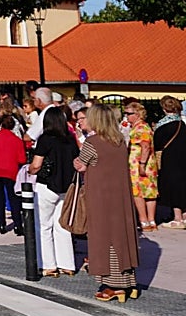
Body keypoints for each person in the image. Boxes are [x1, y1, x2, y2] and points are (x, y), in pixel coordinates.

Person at [74, 105, 140, 302]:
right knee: (122, 236)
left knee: (105, 239)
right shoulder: (120, 141)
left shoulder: (92, 142)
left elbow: (81, 164)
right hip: (121, 197)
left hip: (101, 198)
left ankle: (114, 286)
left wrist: (78, 161)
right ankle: (129, 282)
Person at [30, 105, 80, 277]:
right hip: (66, 187)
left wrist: (29, 170)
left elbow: (36, 165)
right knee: (63, 226)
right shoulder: (70, 139)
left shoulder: (45, 139)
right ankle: (67, 264)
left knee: (44, 226)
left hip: (47, 186)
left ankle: (48, 265)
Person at [0, 113, 26, 235]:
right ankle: (18, 225)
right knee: (14, 198)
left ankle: (1, 224)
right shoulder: (17, 140)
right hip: (10, 170)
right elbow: (22, 159)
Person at [125, 101, 159, 230]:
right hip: (148, 164)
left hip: (139, 164)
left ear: (137, 114)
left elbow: (145, 146)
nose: (126, 116)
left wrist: (142, 164)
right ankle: (151, 221)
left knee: (138, 192)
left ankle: (143, 220)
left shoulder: (140, 128)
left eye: (129, 113)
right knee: (150, 192)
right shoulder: (144, 126)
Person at [154, 96, 185, 228]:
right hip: (183, 158)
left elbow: (157, 143)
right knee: (183, 185)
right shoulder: (182, 124)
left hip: (169, 159)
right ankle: (184, 216)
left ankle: (177, 218)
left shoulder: (162, 125)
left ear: (164, 108)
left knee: (173, 187)